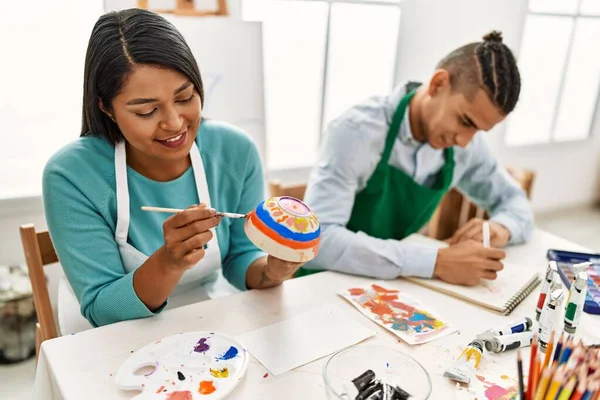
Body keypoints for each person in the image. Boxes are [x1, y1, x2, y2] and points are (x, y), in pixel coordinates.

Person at [42, 8, 304, 334]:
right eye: (147, 110)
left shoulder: (235, 151)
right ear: (106, 108)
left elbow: (240, 258)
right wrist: (169, 261)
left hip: (205, 317)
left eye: (185, 97)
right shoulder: (71, 174)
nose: (175, 123)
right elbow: (102, 307)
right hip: (109, 335)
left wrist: (273, 271)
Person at [300, 31, 534, 286]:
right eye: (465, 121)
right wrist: (436, 261)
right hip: (323, 286)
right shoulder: (355, 133)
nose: (465, 141)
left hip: (390, 286)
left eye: (478, 130)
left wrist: (500, 228)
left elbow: (514, 200)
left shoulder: (467, 145)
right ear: (438, 84)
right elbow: (317, 242)